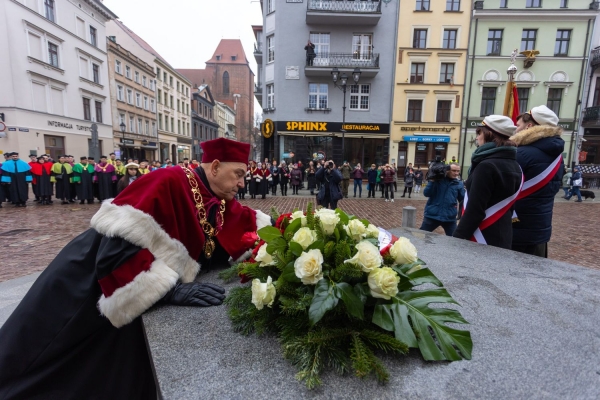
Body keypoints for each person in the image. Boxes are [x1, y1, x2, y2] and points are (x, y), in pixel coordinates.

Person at [0, 138, 271, 398]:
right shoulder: (166, 180)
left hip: (112, 281)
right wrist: (167, 290)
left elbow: (241, 220)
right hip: (89, 280)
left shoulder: (216, 194)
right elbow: (118, 244)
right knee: (49, 354)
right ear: (214, 167)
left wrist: (285, 232)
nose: (241, 183)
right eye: (237, 174)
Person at [453, 115, 523, 249]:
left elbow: (475, 210)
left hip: (482, 236)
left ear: (488, 134)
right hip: (503, 233)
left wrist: (457, 238)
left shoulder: (487, 166)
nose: (477, 137)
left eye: (479, 133)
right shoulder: (514, 164)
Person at [511, 105, 565, 257]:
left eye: (518, 125)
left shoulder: (521, 153)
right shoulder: (558, 156)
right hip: (541, 227)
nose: (516, 130)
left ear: (529, 126)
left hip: (517, 227)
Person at [419, 163, 464, 236]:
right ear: (447, 170)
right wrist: (432, 180)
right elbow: (426, 193)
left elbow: (462, 200)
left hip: (449, 217)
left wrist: (461, 215)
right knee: (421, 236)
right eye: (453, 171)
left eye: (458, 171)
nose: (456, 173)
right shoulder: (437, 180)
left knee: (455, 240)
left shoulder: (459, 184)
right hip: (432, 215)